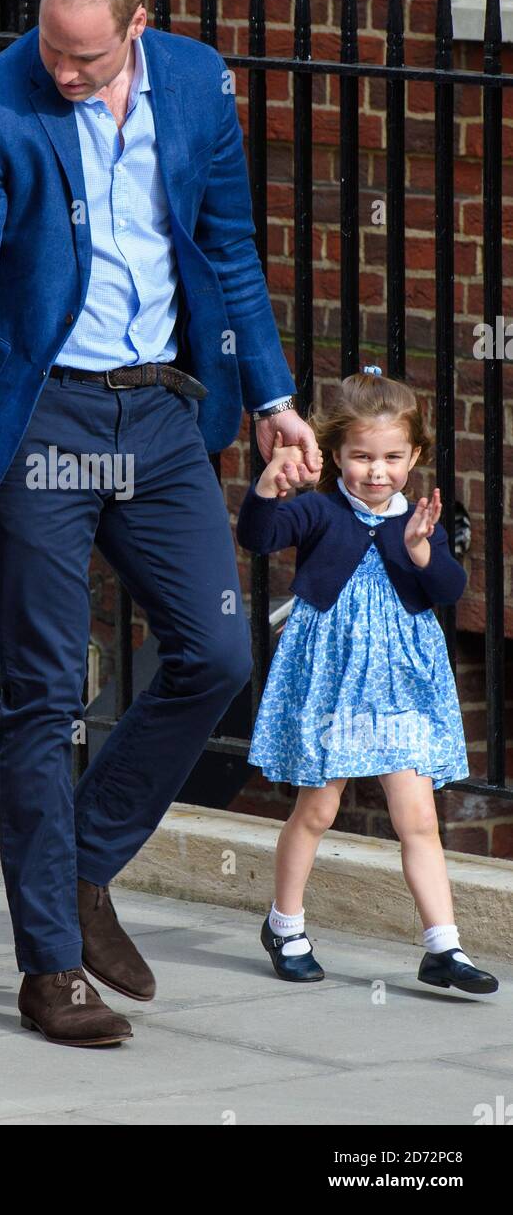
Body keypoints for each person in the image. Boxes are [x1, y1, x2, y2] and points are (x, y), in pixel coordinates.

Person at [0, 0, 321, 1045]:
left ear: (137, 25)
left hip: (156, 412)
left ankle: (83, 864)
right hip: (42, 416)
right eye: (51, 45)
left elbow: (228, 245)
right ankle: (48, 966)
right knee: (43, 694)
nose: (62, 72)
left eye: (85, 59)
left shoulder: (196, 82)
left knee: (220, 649)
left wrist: (274, 397)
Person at [236, 365, 498, 995]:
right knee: (318, 808)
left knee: (419, 819)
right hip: (333, 680)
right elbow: (259, 536)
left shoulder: (418, 522)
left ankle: (444, 947)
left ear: (413, 457)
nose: (376, 472)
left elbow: (452, 592)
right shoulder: (322, 511)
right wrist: (267, 489)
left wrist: (419, 552)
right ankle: (286, 925)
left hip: (400, 687)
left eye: (391, 458)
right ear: (335, 454)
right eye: (360, 457)